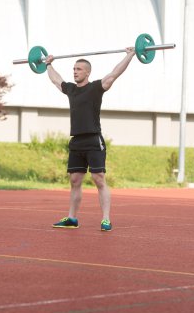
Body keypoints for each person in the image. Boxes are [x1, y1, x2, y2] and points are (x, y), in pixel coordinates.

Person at [45, 47, 135, 231]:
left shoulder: (95, 88)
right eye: (74, 69)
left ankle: (106, 219)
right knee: (75, 181)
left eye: (78, 69)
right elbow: (55, 80)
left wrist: (130, 54)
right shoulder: (70, 89)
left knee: (98, 178)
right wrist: (48, 64)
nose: (75, 71)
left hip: (93, 140)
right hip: (76, 141)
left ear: (87, 72)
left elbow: (114, 74)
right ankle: (72, 218)